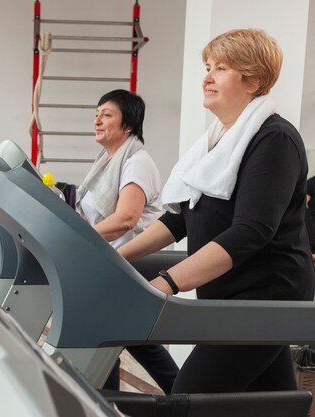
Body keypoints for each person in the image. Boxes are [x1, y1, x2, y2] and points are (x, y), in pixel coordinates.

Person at [118, 28, 315, 394]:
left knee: (188, 397)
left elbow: (249, 232)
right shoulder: (218, 140)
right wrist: (114, 256)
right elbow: (181, 218)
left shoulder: (274, 140)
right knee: (271, 403)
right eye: (207, 66)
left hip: (264, 298)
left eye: (221, 68)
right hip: (231, 295)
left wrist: (165, 284)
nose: (207, 77)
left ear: (253, 80)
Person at [76, 89, 179, 393]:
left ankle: (106, 403)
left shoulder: (136, 162)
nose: (97, 120)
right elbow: (98, 219)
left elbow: (125, 219)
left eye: (106, 114)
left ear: (128, 125)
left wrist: (80, 238)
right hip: (112, 265)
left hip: (131, 264)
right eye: (96, 114)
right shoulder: (108, 162)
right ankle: (185, 398)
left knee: (105, 338)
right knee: (131, 341)